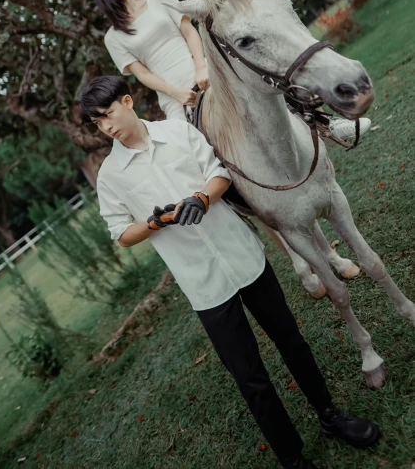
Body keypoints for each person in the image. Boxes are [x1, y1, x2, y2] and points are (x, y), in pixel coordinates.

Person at [80, 75, 381, 469]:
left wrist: (203, 198)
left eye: (108, 114)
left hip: (243, 256)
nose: (106, 126)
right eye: (97, 122)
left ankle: (330, 415)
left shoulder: (177, 132)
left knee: (291, 340)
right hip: (202, 284)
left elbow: (219, 172)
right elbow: (121, 232)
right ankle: (292, 458)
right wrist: (155, 223)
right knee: (249, 376)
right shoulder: (111, 177)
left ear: (127, 101)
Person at [86, 0, 370, 142]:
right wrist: (175, 94)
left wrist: (201, 67)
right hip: (174, 96)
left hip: (205, 70)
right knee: (187, 143)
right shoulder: (114, 37)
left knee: (259, 82)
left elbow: (189, 31)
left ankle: (326, 127)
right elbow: (141, 74)